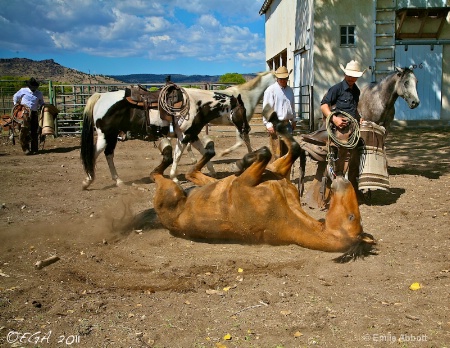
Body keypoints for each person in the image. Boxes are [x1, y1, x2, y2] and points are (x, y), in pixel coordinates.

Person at [320, 60, 366, 194]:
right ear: (345, 74)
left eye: (355, 76)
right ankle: (338, 175)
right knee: (343, 145)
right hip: (339, 125)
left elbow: (354, 108)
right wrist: (334, 119)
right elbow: (324, 105)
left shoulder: (356, 91)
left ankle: (354, 180)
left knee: (363, 145)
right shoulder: (337, 88)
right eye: (350, 75)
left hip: (353, 125)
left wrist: (359, 117)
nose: (352, 78)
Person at [262, 66, 297, 159]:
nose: (282, 80)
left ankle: (286, 173)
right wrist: (268, 124)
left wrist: (294, 119)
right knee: (276, 152)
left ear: (287, 78)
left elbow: (292, 106)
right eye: (281, 78)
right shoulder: (270, 90)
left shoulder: (290, 90)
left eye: (284, 78)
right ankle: (275, 173)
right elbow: (267, 109)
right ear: (277, 78)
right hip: (275, 125)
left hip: (287, 124)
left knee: (288, 153)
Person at [13, 78, 45, 155]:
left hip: (34, 113)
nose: (34, 89)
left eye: (35, 87)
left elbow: (41, 101)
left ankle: (34, 149)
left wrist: (42, 106)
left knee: (35, 130)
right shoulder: (23, 90)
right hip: (24, 112)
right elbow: (15, 97)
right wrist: (16, 105)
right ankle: (26, 148)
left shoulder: (39, 93)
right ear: (29, 86)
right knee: (24, 130)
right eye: (33, 87)